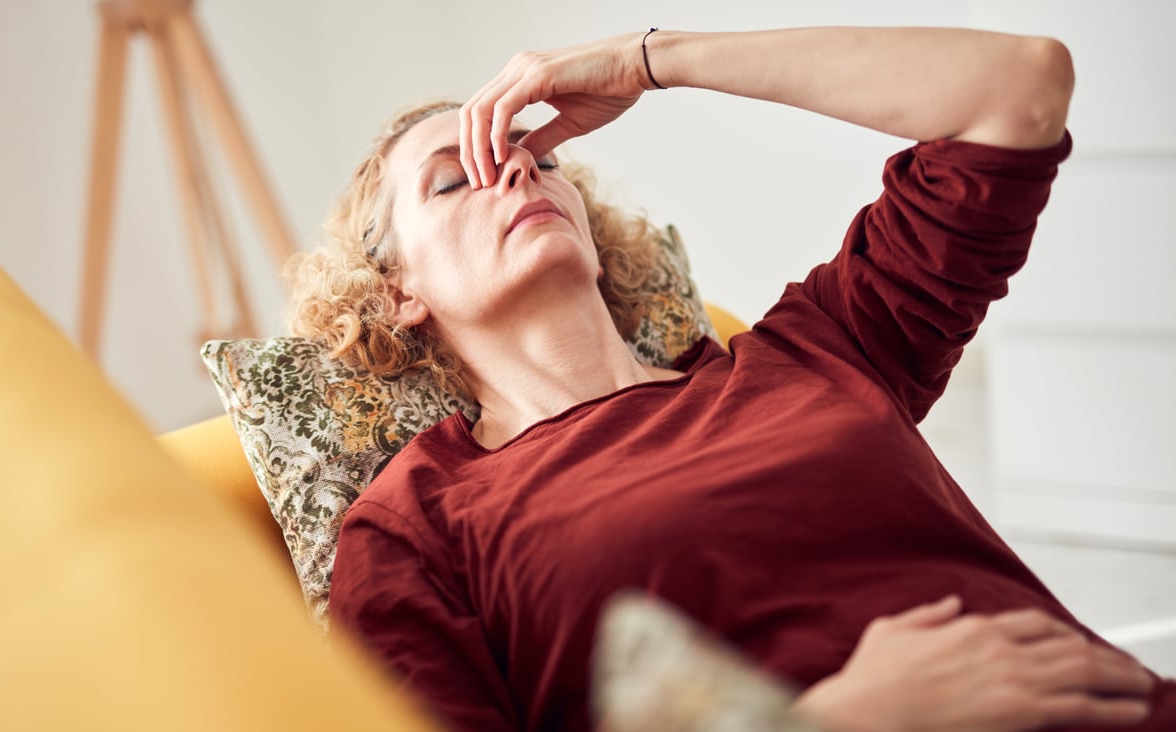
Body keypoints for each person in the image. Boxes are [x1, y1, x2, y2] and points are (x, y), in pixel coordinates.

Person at [284, 26, 1174, 732]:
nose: (515, 166)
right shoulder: (415, 529)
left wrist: (650, 61)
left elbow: (1019, 88)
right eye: (451, 182)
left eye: (539, 155)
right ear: (396, 290)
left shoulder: (820, 349)